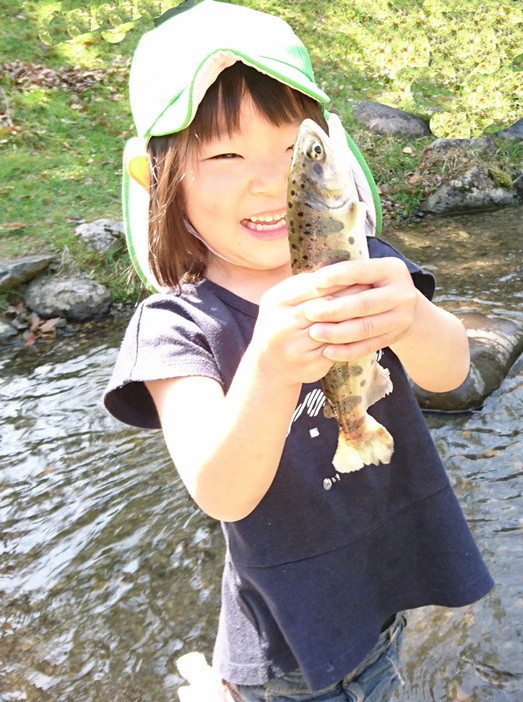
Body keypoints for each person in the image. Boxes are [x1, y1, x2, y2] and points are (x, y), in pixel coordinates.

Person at [103, 2, 494, 700]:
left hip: (383, 592)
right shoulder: (175, 328)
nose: (269, 178)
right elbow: (221, 491)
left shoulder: (364, 263)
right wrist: (271, 367)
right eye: (225, 154)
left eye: (294, 147)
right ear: (164, 179)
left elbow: (452, 370)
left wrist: (410, 318)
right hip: (289, 645)